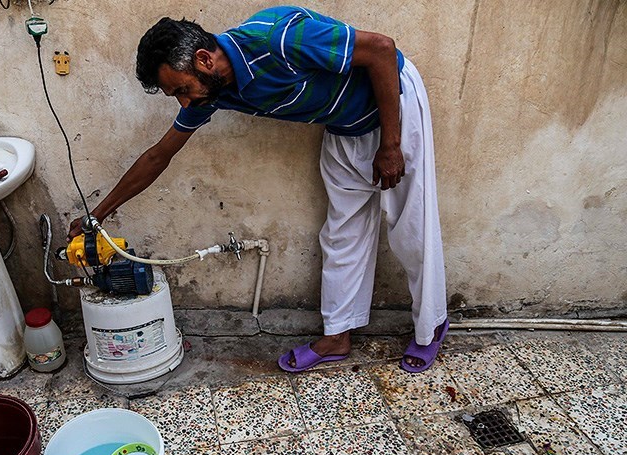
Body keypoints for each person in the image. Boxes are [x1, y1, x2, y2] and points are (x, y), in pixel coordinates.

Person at [67, 5, 448, 373]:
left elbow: (382, 49)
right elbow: (159, 156)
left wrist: (392, 145)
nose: (184, 102)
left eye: (182, 89)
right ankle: (337, 337)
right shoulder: (212, 90)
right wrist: (95, 217)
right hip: (344, 126)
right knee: (341, 234)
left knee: (411, 226)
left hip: (393, 108)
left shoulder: (279, 38)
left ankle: (431, 326)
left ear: (203, 59)